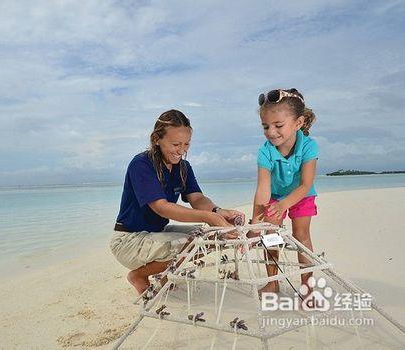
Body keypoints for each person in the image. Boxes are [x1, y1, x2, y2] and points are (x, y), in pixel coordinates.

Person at [110, 109, 246, 294]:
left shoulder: (183, 167)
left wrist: (218, 212)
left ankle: (164, 273)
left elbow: (197, 198)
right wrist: (208, 217)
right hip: (129, 240)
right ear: (157, 139)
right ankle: (138, 275)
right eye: (175, 144)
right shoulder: (141, 164)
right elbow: (162, 208)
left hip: (157, 233)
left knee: (211, 238)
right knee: (189, 243)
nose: (181, 150)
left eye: (186, 144)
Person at [250, 88, 318, 296]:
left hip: (301, 195)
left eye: (278, 125)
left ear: (298, 123)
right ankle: (273, 282)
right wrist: (256, 222)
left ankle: (307, 287)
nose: (271, 132)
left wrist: (284, 205)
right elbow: (263, 188)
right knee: (271, 236)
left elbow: (305, 184)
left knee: (301, 236)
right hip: (274, 196)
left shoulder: (309, 147)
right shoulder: (265, 151)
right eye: (265, 126)